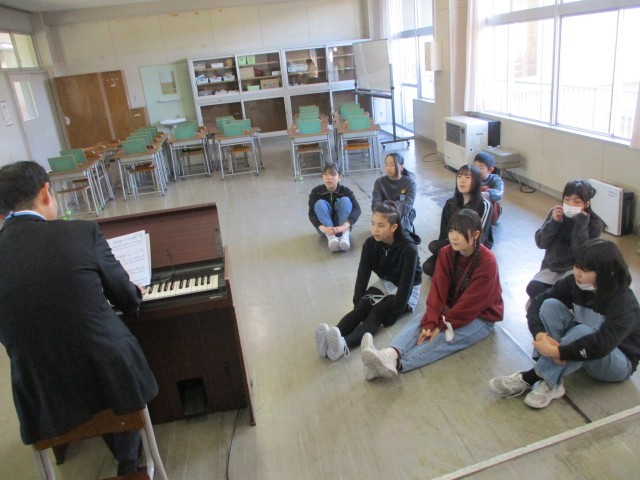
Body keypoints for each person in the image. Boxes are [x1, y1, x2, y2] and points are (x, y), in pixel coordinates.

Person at [0, 161, 158, 476]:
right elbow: (126, 299)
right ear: (45, 193)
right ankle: (130, 462)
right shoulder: (81, 232)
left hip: (41, 390)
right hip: (107, 373)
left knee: (84, 365)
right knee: (108, 361)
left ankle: (124, 457)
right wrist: (133, 293)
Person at [490, 239, 640, 409]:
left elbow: (601, 345)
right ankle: (553, 381)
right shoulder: (574, 283)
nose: (577, 273)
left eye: (585, 270)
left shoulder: (624, 303)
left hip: (618, 361)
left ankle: (534, 377)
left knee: (584, 331)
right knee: (550, 305)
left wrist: (557, 351)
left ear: (607, 273)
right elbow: (537, 303)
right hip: (582, 350)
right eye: (576, 266)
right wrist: (540, 335)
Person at [361, 209, 503, 379]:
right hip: (452, 307)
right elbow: (437, 291)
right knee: (423, 320)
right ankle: (389, 354)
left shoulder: (487, 261)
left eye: (460, 232)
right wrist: (430, 322)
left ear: (476, 234)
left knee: (445, 338)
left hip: (481, 317)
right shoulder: (446, 253)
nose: (454, 237)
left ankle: (395, 364)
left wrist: (441, 325)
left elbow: (470, 305)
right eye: (452, 231)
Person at [314, 201, 422, 361]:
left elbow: (406, 285)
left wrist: (392, 316)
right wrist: (358, 304)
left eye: (381, 225)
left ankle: (343, 346)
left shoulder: (408, 249)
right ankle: (330, 339)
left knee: (378, 311)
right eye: (373, 223)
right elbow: (362, 275)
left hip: (408, 289)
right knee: (363, 306)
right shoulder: (370, 244)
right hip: (386, 282)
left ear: (393, 227)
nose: (375, 229)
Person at [526, 179, 605, 299]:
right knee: (533, 288)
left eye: (577, 202)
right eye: (567, 200)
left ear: (587, 204)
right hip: (551, 269)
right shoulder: (556, 213)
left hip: (574, 271)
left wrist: (581, 224)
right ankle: (553, 299)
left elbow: (581, 254)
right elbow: (541, 243)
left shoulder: (594, 224)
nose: (570, 204)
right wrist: (554, 222)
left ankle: (550, 299)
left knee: (576, 293)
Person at [422, 164, 492, 276]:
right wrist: (445, 252)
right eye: (459, 176)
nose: (462, 181)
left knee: (435, 248)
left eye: (467, 177)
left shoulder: (484, 205)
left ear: (476, 181)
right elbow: (444, 233)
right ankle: (455, 268)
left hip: (471, 248)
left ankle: (459, 269)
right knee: (428, 266)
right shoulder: (450, 203)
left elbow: (481, 238)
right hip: (453, 244)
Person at [308, 162, 361, 252]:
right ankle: (331, 238)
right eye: (326, 174)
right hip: (325, 230)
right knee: (320, 203)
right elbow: (311, 213)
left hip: (343, 228)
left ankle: (345, 237)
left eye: (333, 174)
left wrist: (344, 226)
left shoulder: (346, 191)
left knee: (345, 200)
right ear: (322, 176)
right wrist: (323, 228)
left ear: (339, 177)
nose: (329, 177)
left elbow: (357, 209)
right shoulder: (316, 192)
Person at [371, 152, 417, 231]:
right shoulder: (379, 182)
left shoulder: (410, 183)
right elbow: (376, 203)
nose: (388, 168)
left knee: (400, 225)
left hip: (404, 212)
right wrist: (385, 216)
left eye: (392, 165)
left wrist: (392, 217)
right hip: (384, 214)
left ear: (401, 167)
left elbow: (407, 205)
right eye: (386, 165)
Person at [473, 152, 504, 225]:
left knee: (484, 188)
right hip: (473, 208)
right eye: (475, 167)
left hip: (490, 212)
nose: (476, 170)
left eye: (480, 168)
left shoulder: (495, 179)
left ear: (490, 170)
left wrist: (486, 194)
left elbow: (499, 193)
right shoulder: (470, 176)